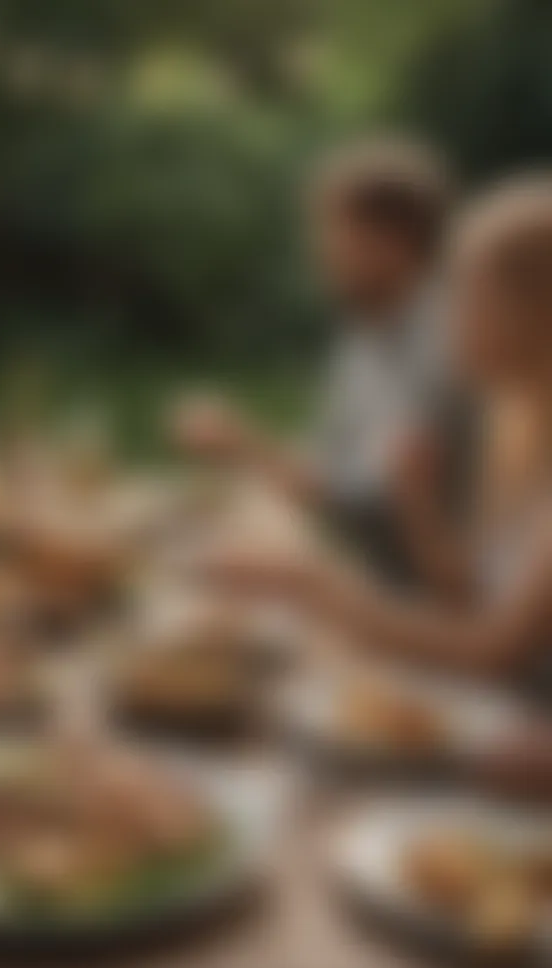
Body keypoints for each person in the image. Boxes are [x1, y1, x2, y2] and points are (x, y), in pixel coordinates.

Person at [206, 178, 552, 697]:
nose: (446, 314)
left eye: (467, 291)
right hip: (484, 704)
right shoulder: (516, 430)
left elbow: (493, 653)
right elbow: (469, 599)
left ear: (536, 314)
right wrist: (420, 507)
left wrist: (309, 583)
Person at [173, 137, 469, 594]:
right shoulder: (367, 331)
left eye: (333, 232)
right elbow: (331, 460)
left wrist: (244, 447)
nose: (319, 252)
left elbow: (364, 507)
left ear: (394, 240)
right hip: (382, 584)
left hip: (425, 608)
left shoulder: (447, 342)